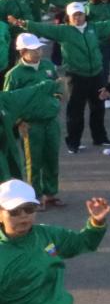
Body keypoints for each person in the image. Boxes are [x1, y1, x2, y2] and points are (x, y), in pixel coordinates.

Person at [8, 2, 110, 153]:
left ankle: (100, 138)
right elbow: (43, 28)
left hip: (96, 74)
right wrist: (25, 23)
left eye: (80, 14)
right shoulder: (63, 31)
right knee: (75, 111)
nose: (77, 18)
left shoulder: (93, 28)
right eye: (74, 15)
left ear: (85, 15)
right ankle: (73, 142)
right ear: (69, 17)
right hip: (76, 76)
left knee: (98, 107)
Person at [5, 33, 62, 208]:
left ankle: (50, 194)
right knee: (33, 163)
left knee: (52, 159)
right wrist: (19, 122)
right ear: (22, 52)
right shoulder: (14, 75)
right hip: (31, 125)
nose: (38, 52)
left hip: (51, 121)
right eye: (32, 50)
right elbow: (7, 102)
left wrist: (56, 100)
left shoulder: (48, 66)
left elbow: (57, 85)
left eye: (39, 49)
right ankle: (34, 198)